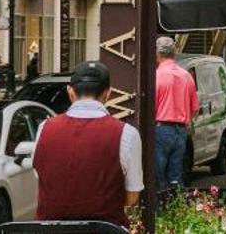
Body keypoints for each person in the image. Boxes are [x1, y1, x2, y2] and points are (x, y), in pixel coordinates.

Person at [32, 61, 143, 223]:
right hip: (105, 228)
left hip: (51, 229)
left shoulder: (45, 128)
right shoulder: (127, 133)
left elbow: (42, 176)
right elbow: (132, 197)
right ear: (108, 94)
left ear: (70, 92)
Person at [153, 36, 198, 193]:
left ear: (157, 54)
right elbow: (195, 109)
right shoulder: (186, 76)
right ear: (174, 53)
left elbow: (151, 107)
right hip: (181, 130)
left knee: (158, 174)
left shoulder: (156, 76)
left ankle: (159, 210)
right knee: (175, 174)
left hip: (161, 128)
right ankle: (175, 208)